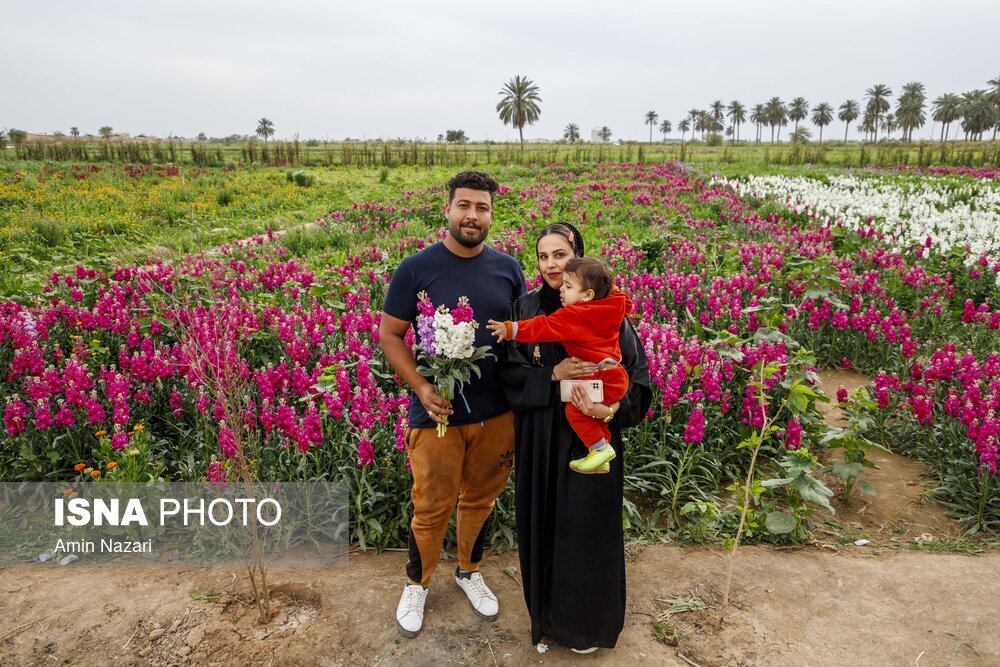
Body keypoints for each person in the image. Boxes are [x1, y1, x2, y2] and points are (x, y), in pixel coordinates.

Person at [378, 170, 526, 638]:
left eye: (482, 208)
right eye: (464, 205)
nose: (472, 215)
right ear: (447, 209)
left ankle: (469, 571)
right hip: (435, 414)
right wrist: (422, 387)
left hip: (496, 414)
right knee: (431, 505)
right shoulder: (416, 268)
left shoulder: (508, 269)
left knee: (481, 499)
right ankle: (417, 583)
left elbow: (523, 335)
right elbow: (390, 334)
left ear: (491, 215)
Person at [499, 222, 652, 653]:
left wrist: (610, 410)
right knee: (542, 524)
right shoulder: (525, 307)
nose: (551, 265)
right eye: (543, 256)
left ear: (577, 258)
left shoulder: (605, 309)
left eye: (560, 255)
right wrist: (553, 373)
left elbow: (636, 377)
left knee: (584, 530)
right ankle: (545, 618)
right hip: (541, 438)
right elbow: (508, 372)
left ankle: (585, 628)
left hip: (591, 438)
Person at [487, 257, 633, 474]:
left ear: (588, 294)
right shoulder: (612, 306)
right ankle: (600, 458)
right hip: (616, 376)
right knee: (592, 416)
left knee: (575, 411)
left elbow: (543, 326)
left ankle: (601, 449)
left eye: (568, 286)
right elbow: (625, 301)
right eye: (543, 256)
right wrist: (609, 288)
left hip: (599, 376)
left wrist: (510, 329)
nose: (561, 290)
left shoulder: (574, 316)